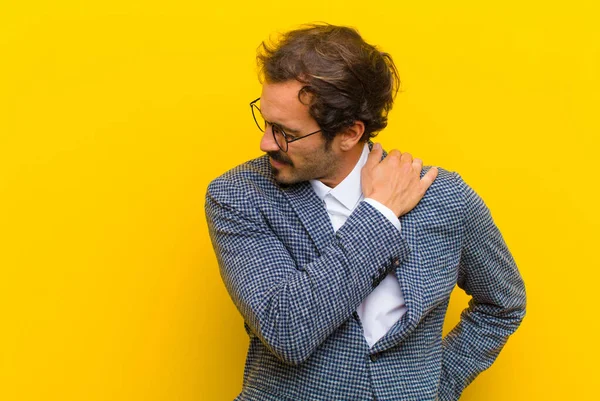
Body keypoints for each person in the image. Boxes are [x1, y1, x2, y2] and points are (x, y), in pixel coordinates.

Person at [205, 23, 526, 401]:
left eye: (285, 132)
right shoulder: (238, 196)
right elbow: (287, 330)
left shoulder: (445, 198)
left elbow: (503, 304)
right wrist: (378, 214)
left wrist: (438, 386)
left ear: (349, 133)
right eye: (265, 120)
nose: (265, 142)